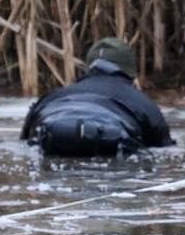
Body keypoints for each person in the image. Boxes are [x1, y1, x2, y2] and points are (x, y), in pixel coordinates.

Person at [21, 37, 175, 157]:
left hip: (51, 137)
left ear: (89, 67)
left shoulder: (51, 97)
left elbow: (23, 141)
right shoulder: (144, 104)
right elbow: (164, 149)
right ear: (130, 72)